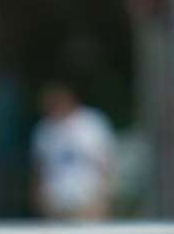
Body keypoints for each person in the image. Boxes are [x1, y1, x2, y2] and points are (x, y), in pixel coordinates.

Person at [31, 82, 116, 222]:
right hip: (56, 203)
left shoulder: (91, 123)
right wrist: (40, 199)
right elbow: (40, 168)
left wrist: (105, 196)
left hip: (88, 200)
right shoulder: (44, 130)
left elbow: (106, 161)